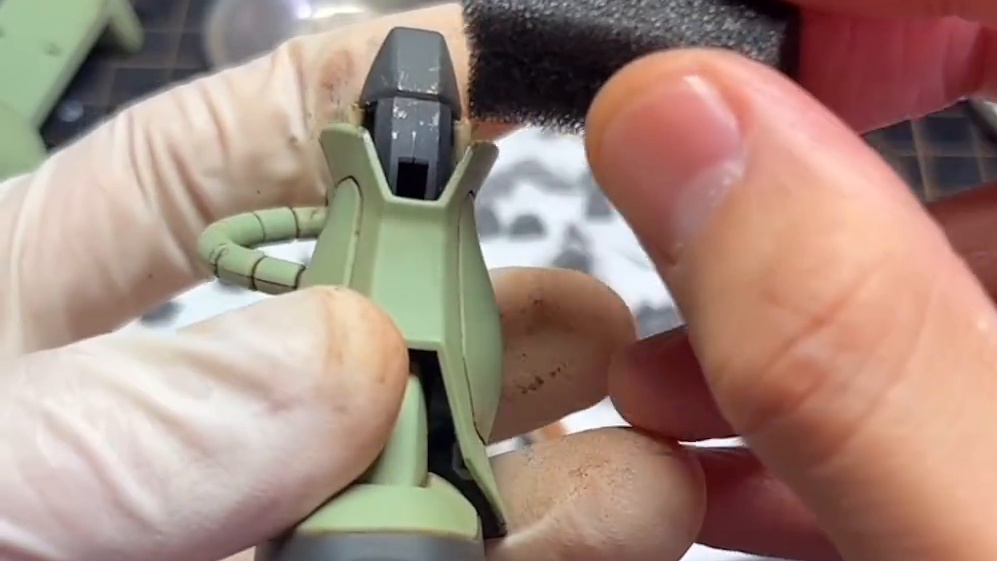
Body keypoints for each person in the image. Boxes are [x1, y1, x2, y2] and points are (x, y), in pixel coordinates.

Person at [1, 0, 994, 559]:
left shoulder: (446, 203)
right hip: (345, 472)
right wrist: (264, 274)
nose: (417, 127)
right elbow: (229, 242)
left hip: (441, 422)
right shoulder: (343, 206)